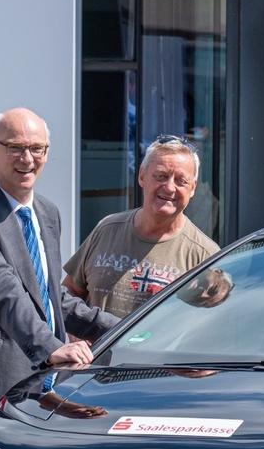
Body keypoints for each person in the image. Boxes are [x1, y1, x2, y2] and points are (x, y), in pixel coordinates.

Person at [0, 108, 115, 435]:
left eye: (36, 148)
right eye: (15, 147)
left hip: (44, 387)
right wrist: (51, 346)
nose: (27, 159)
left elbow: (51, 298)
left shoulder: (47, 212)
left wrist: (127, 330)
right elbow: (0, 288)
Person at [64, 135, 223, 317]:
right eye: (161, 176)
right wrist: (75, 332)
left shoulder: (205, 255)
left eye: (181, 181)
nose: (170, 187)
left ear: (193, 188)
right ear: (142, 176)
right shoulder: (107, 229)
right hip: (97, 346)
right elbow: (69, 292)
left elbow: (212, 325)